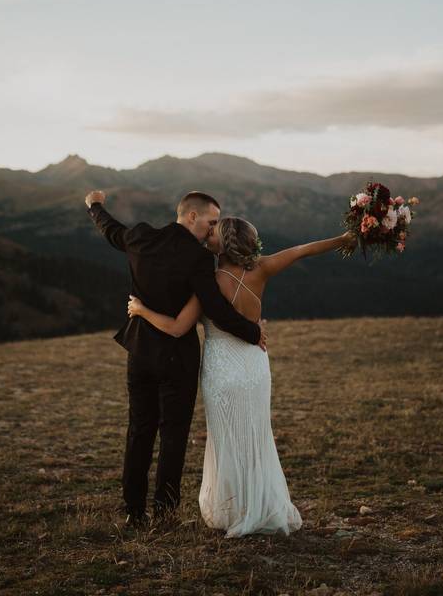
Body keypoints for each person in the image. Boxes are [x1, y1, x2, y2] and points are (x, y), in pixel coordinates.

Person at [127, 216, 354, 537]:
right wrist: (343, 239)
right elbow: (303, 250)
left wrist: (141, 310)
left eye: (214, 233)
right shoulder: (261, 268)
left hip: (221, 371)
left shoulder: (206, 281)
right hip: (254, 366)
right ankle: (260, 505)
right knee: (257, 436)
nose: (209, 234)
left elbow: (177, 328)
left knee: (226, 441)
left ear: (222, 243)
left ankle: (232, 508)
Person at [85, 190, 267, 527]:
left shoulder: (140, 237)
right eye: (212, 222)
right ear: (192, 217)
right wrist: (253, 332)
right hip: (177, 357)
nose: (214, 231)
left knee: (139, 429)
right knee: (173, 434)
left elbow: (110, 230)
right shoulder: (198, 259)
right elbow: (216, 310)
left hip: (139, 351)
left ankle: (132, 511)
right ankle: (165, 513)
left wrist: (95, 206)